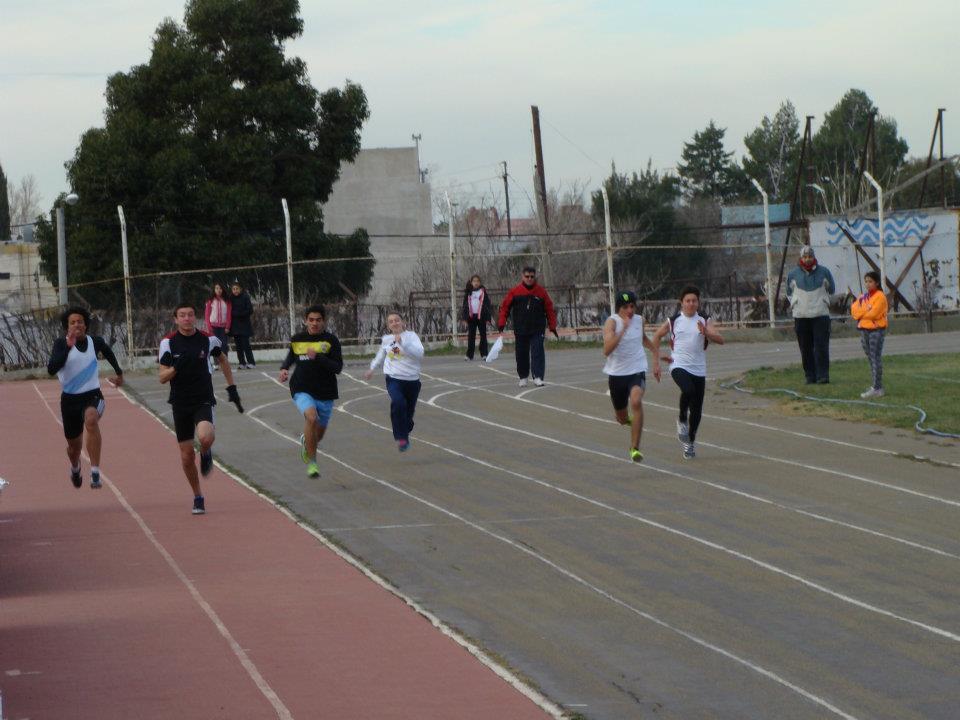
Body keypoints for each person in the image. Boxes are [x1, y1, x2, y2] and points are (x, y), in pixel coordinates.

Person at [159, 303, 243, 514]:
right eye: (182, 315)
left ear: (195, 317)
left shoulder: (208, 339)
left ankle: (206, 452)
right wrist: (177, 367)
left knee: (205, 436)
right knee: (187, 456)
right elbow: (162, 377)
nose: (187, 319)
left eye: (190, 315)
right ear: (175, 319)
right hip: (180, 402)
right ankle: (198, 496)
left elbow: (222, 358)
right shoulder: (168, 343)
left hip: (203, 398)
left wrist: (231, 387)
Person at [46, 306, 124, 489]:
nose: (76, 325)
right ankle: (75, 467)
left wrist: (119, 374)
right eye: (72, 323)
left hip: (93, 395)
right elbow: (51, 369)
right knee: (74, 448)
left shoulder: (94, 342)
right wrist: (68, 346)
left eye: (80, 321)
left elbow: (108, 352)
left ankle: (95, 472)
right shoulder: (60, 344)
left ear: (86, 325)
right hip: (69, 401)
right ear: (67, 327)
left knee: (91, 419)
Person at [651, 286, 724, 460]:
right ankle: (682, 420)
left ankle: (690, 442)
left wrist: (706, 332)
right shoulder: (674, 320)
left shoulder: (705, 320)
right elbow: (656, 336)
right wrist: (656, 361)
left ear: (698, 303)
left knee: (697, 411)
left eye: (694, 301)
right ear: (681, 303)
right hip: (678, 365)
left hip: (699, 369)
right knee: (688, 391)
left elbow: (721, 339)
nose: (691, 304)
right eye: (688, 301)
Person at [279, 305, 343, 478]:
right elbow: (290, 358)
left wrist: (319, 357)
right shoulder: (297, 339)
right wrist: (284, 369)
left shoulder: (331, 341)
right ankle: (313, 464)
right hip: (301, 388)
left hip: (326, 392)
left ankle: (305, 440)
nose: (314, 323)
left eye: (318, 320)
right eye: (311, 320)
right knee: (311, 417)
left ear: (324, 321)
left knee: (317, 435)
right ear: (305, 320)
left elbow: (338, 368)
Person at [602, 291, 660, 462]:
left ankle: (634, 448)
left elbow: (642, 338)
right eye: (625, 307)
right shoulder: (611, 322)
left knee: (636, 401)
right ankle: (626, 419)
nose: (629, 310)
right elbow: (606, 350)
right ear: (618, 308)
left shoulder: (639, 320)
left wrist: (656, 355)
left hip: (636, 369)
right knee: (621, 418)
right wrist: (623, 330)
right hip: (617, 374)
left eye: (632, 306)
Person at [363, 312, 424, 452]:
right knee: (398, 402)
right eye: (391, 321)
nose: (394, 323)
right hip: (394, 378)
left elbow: (420, 354)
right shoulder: (387, 339)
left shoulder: (411, 336)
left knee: (408, 413)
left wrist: (403, 343)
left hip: (412, 380)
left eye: (397, 320)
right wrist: (372, 368)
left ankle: (406, 425)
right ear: (388, 325)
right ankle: (402, 438)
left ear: (402, 322)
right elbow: (380, 355)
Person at [497, 266, 558, 387]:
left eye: (532, 277)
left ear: (534, 277)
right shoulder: (515, 292)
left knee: (537, 352)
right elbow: (505, 307)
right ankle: (523, 376)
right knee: (521, 353)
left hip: (537, 328)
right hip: (520, 328)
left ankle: (538, 376)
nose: (529, 279)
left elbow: (549, 309)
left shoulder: (541, 292)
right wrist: (501, 323)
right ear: (522, 276)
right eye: (527, 276)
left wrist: (552, 326)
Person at [786, 245, 835, 384]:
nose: (807, 259)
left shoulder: (824, 272)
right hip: (801, 316)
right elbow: (788, 293)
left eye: (810, 257)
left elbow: (832, 289)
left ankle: (823, 375)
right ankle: (810, 376)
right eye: (805, 257)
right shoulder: (792, 274)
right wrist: (796, 304)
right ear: (801, 258)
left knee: (821, 346)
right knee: (805, 347)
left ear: (814, 257)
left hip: (821, 315)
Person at [850, 270, 888, 399]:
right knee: (870, 357)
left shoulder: (880, 296)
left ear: (876, 282)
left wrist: (863, 312)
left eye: (870, 281)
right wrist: (864, 311)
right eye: (866, 281)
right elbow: (854, 311)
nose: (867, 284)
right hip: (864, 329)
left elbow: (874, 314)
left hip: (876, 330)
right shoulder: (863, 297)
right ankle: (875, 385)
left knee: (875, 357)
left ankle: (877, 387)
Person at [461, 274, 492, 361]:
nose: (476, 283)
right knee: (471, 336)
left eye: (478, 281)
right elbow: (465, 306)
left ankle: (484, 354)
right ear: (471, 282)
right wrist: (464, 319)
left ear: (480, 282)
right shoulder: (468, 293)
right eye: (474, 281)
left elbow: (487, 306)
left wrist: (488, 319)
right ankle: (469, 355)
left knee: (483, 336)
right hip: (471, 317)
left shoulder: (483, 292)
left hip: (481, 317)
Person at [204, 282, 232, 370]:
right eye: (216, 288)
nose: (218, 290)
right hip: (213, 326)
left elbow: (229, 315)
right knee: (215, 345)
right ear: (214, 290)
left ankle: (224, 363)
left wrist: (227, 326)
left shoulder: (227, 301)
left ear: (223, 289)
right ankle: (216, 363)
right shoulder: (210, 301)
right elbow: (207, 315)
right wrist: (209, 326)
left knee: (224, 345)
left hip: (223, 327)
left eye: (220, 288)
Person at [229, 280, 256, 369]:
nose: (235, 291)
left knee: (246, 345)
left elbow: (250, 310)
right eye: (234, 289)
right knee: (238, 346)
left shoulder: (245, 297)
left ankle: (251, 362)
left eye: (237, 289)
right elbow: (229, 311)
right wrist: (234, 314)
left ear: (240, 289)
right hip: (235, 326)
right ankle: (242, 362)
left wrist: (240, 314)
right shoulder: (231, 299)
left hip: (245, 325)